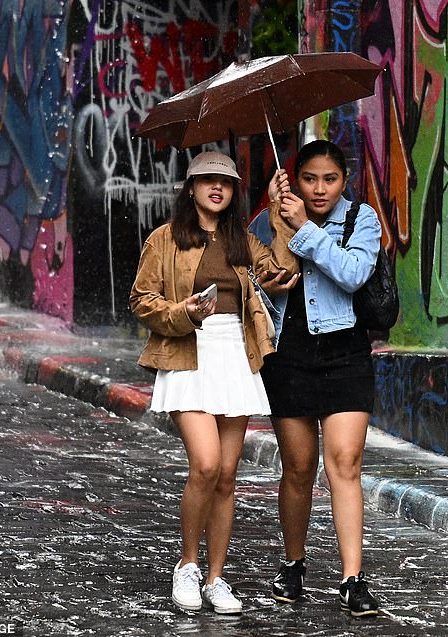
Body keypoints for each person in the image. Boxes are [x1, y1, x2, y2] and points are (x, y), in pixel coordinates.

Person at [130, 151, 298, 615]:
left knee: (227, 476)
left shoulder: (242, 241)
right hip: (188, 352)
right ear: (191, 188)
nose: (217, 188)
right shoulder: (165, 239)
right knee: (205, 464)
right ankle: (186, 565)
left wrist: (282, 216)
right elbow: (141, 299)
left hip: (235, 354)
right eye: (207, 181)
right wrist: (183, 313)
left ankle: (215, 578)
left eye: (225, 182)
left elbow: (280, 273)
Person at [248, 140, 382, 617]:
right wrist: (272, 217)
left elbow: (352, 273)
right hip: (289, 355)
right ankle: (293, 563)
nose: (319, 189)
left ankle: (352, 578)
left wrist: (305, 228)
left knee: (344, 462)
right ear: (295, 179)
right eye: (310, 179)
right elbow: (246, 271)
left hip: (345, 354)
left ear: (343, 181)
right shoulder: (271, 218)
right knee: (299, 468)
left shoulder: (361, 219)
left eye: (330, 179)